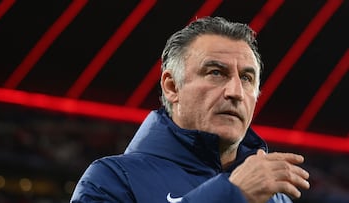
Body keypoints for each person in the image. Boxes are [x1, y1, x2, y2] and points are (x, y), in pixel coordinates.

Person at [70, 16, 310, 203]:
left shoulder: (275, 197)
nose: (236, 92)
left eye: (247, 78)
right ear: (172, 86)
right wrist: (230, 194)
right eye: (216, 73)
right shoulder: (111, 180)